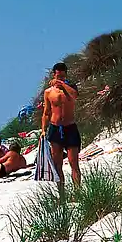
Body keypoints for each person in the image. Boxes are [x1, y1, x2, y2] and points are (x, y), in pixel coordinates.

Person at [42, 62, 81, 190]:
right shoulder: (48, 92)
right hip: (55, 128)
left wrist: (63, 84)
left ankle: (77, 193)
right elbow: (46, 112)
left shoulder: (71, 88)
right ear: (54, 75)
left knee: (73, 163)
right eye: (58, 77)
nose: (60, 79)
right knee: (57, 164)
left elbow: (75, 96)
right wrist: (43, 130)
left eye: (63, 76)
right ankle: (62, 195)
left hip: (70, 127)